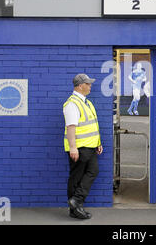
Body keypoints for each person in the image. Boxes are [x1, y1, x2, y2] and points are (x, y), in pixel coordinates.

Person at [63, 73, 103, 220]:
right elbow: (71, 127)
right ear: (80, 86)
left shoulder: (86, 102)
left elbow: (92, 125)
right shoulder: (72, 104)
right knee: (76, 178)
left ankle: (76, 201)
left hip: (90, 147)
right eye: (88, 84)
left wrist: (98, 142)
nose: (90, 86)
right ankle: (75, 208)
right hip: (79, 148)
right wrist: (73, 148)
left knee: (93, 171)